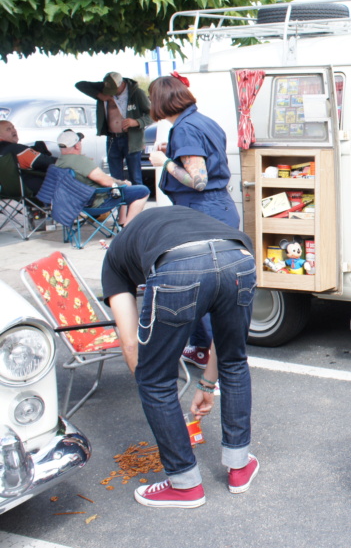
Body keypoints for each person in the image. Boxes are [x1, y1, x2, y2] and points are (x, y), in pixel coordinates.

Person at [101, 206, 259, 508]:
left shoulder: (113, 261)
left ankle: (185, 485)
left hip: (178, 265)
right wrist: (206, 385)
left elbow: (131, 345)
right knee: (235, 360)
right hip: (237, 255)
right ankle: (239, 468)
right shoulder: (171, 219)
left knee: (153, 380)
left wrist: (159, 399)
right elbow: (227, 353)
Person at [147, 73, 238, 367]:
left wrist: (166, 162)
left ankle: (216, 361)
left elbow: (198, 180)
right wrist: (172, 152)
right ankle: (201, 349)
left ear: (160, 101)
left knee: (201, 289)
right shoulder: (203, 121)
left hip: (202, 210)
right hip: (219, 207)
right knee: (209, 285)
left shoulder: (184, 129)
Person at [55, 129, 149, 226]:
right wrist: (123, 183)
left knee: (123, 190)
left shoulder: (59, 162)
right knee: (142, 191)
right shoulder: (80, 161)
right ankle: (127, 227)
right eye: (80, 141)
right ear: (77, 145)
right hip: (97, 202)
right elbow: (104, 181)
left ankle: (122, 222)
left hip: (75, 203)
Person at [74, 72, 151, 187]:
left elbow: (152, 114)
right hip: (112, 138)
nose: (112, 93)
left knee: (135, 177)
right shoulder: (104, 88)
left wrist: (136, 122)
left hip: (131, 139)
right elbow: (80, 85)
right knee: (115, 178)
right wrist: (99, 94)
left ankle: (136, 203)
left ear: (121, 84)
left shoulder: (137, 93)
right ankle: (120, 203)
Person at [0, 120, 56, 193]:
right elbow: (44, 162)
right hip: (31, 189)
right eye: (8, 129)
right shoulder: (17, 150)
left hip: (6, 192)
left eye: (13, 127)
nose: (13, 130)